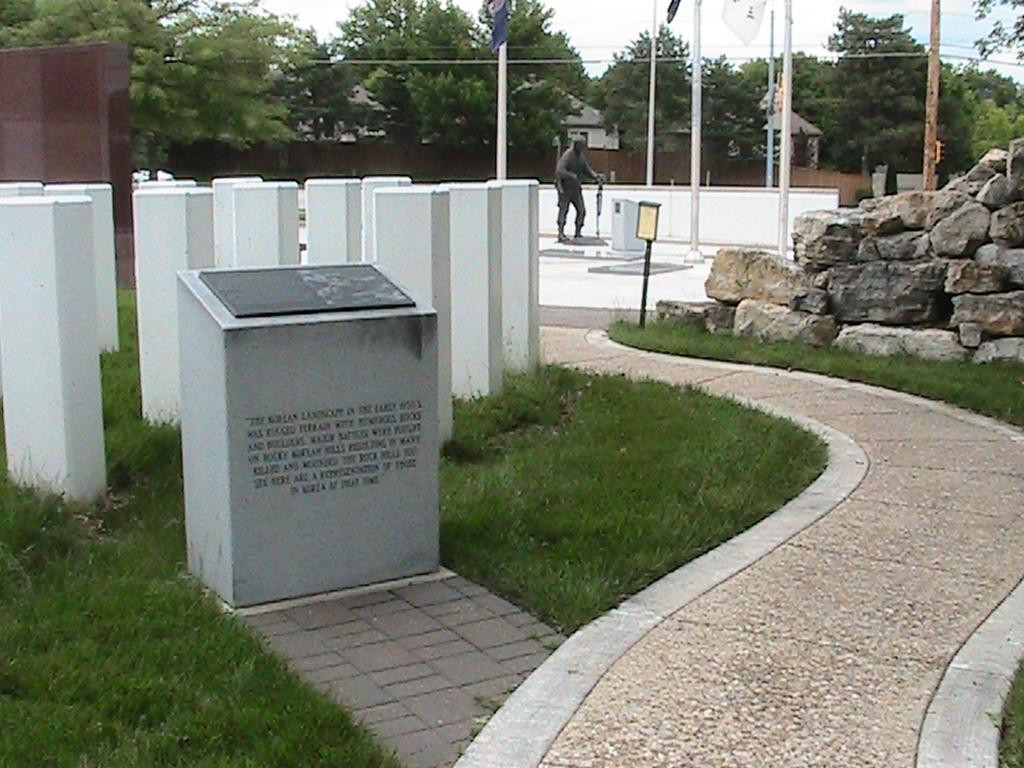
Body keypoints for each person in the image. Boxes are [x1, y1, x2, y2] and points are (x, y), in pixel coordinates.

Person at [555, 139, 604, 243]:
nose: (583, 148)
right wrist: (571, 175)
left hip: (575, 189)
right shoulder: (567, 156)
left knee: (581, 211)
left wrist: (596, 176)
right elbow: (559, 171)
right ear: (576, 145)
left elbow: (587, 170)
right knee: (564, 210)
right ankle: (560, 233)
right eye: (581, 146)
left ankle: (578, 232)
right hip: (565, 188)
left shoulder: (580, 157)